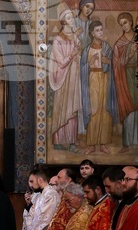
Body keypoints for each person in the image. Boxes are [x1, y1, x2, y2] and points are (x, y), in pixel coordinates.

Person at [80, 21, 117, 155]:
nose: (100, 32)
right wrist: (89, 64)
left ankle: (103, 143)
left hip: (105, 78)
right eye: (97, 30)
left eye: (101, 30)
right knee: (94, 110)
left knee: (105, 111)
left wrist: (109, 62)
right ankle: (91, 144)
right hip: (92, 80)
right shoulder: (86, 50)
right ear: (92, 33)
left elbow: (114, 64)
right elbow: (82, 69)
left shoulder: (107, 47)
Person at [49, 10, 83, 152]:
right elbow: (61, 62)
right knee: (62, 107)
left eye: (72, 17)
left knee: (73, 109)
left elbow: (79, 57)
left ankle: (72, 142)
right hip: (63, 79)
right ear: (63, 21)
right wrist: (72, 54)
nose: (72, 19)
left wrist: (77, 54)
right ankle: (58, 141)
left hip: (74, 77)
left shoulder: (76, 38)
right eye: (68, 17)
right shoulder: (58, 40)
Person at [113, 12, 138, 153]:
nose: (124, 26)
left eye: (125, 22)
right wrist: (130, 53)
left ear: (131, 22)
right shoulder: (119, 43)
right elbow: (118, 63)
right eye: (121, 24)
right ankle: (127, 143)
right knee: (129, 106)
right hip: (126, 77)